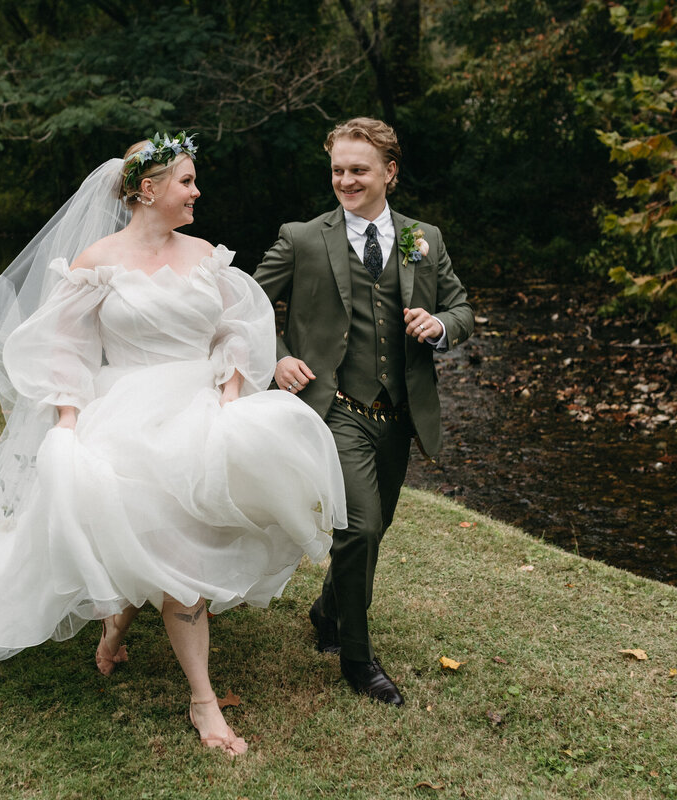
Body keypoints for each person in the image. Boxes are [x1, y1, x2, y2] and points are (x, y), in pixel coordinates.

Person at [0, 132, 346, 757]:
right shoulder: (96, 263)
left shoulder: (205, 255)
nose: (197, 192)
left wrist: (229, 402)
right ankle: (203, 701)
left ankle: (120, 618)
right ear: (149, 189)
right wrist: (67, 420)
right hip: (125, 412)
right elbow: (62, 349)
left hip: (200, 407)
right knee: (173, 556)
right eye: (187, 182)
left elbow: (235, 332)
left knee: (195, 535)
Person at [253, 117, 473, 706]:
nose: (346, 180)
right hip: (335, 407)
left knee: (376, 530)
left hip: (399, 413)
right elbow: (244, 305)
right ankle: (356, 657)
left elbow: (461, 309)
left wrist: (440, 325)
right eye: (338, 171)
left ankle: (327, 610)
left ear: (389, 174)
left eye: (358, 170)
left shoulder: (423, 239)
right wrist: (277, 358)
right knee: (361, 526)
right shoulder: (302, 238)